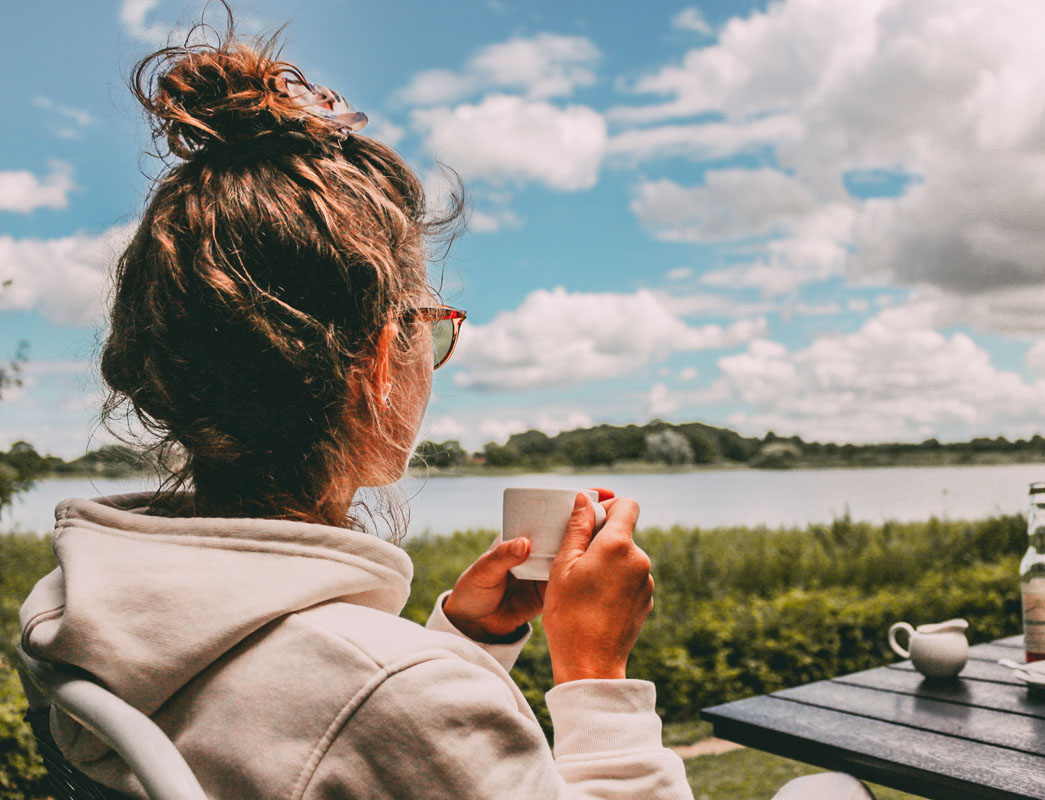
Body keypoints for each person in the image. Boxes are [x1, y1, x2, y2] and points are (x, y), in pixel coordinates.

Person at [16, 14, 691, 800]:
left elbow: (324, 736)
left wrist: (466, 640)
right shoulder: (395, 698)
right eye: (428, 329)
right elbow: (368, 713)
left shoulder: (81, 613)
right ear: (378, 360)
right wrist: (597, 673)